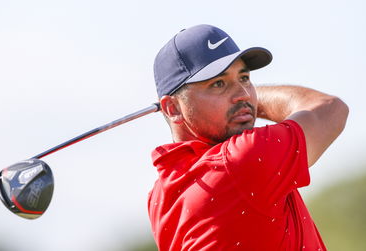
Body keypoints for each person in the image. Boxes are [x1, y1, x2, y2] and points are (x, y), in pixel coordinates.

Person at [148, 24, 348, 251]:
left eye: (244, 78)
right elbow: (330, 109)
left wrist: (238, 101)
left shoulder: (159, 195)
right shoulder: (242, 159)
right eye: (218, 83)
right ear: (172, 108)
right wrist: (249, 103)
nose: (243, 94)